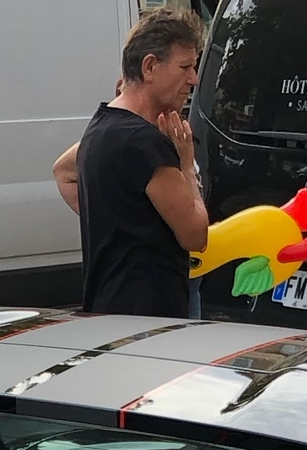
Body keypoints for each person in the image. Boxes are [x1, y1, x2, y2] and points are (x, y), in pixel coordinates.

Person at [51, 9, 209, 318]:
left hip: (106, 308)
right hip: (151, 319)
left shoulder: (101, 127)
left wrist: (118, 224)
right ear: (150, 67)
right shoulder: (145, 143)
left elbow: (63, 172)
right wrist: (187, 163)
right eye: (185, 67)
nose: (194, 78)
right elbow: (196, 236)